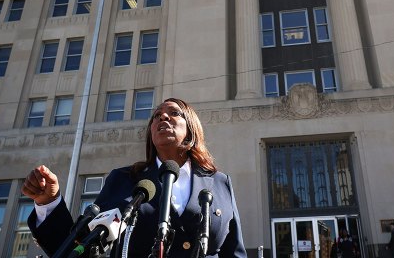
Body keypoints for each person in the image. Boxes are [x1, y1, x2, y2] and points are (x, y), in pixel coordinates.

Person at [21, 98, 247, 258]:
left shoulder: (219, 182)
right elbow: (79, 247)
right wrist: (48, 203)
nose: (163, 117)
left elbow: (233, 251)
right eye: (156, 116)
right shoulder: (125, 180)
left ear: (191, 128)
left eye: (174, 113)